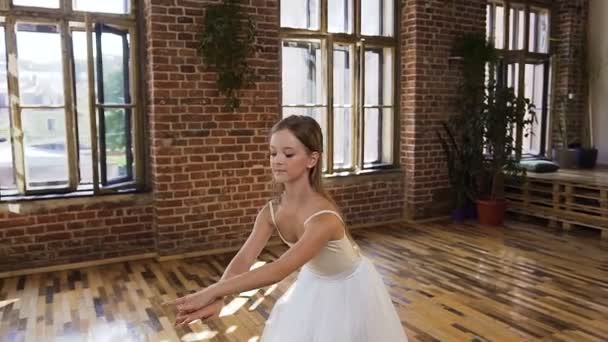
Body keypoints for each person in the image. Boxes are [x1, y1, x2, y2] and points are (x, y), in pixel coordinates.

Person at [164, 115, 408, 341]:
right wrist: (220, 297)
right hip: (315, 281)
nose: (277, 161)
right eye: (272, 153)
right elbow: (244, 258)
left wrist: (211, 291)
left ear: (312, 159)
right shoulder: (271, 211)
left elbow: (278, 270)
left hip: (351, 287)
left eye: (288, 154)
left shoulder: (324, 218)